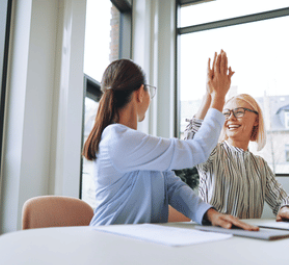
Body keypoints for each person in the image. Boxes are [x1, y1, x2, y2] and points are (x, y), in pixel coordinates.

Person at [82, 51, 258, 230]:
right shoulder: (118, 139)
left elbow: (172, 186)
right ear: (139, 94)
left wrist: (211, 215)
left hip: (138, 242)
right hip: (108, 242)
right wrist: (219, 97)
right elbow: (198, 150)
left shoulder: (132, 143)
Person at [184, 59, 289, 221]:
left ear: (256, 119)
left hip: (245, 238)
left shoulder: (259, 164)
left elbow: (280, 198)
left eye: (239, 112)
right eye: (226, 113)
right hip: (210, 236)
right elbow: (191, 143)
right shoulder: (213, 152)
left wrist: (284, 208)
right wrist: (209, 96)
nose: (230, 118)